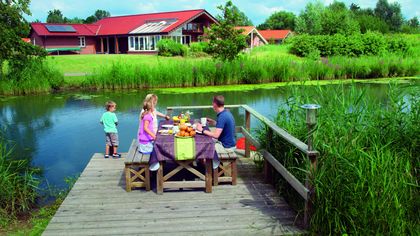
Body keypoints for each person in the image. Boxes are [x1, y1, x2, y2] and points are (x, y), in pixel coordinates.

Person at [196, 95, 236, 168]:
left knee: (205, 146)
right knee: (206, 142)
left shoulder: (222, 117)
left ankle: (209, 168)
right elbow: (224, 126)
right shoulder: (226, 113)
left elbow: (216, 135)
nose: (212, 105)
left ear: (215, 104)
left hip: (226, 147)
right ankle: (206, 164)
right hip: (230, 144)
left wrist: (202, 130)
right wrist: (214, 122)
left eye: (212, 103)